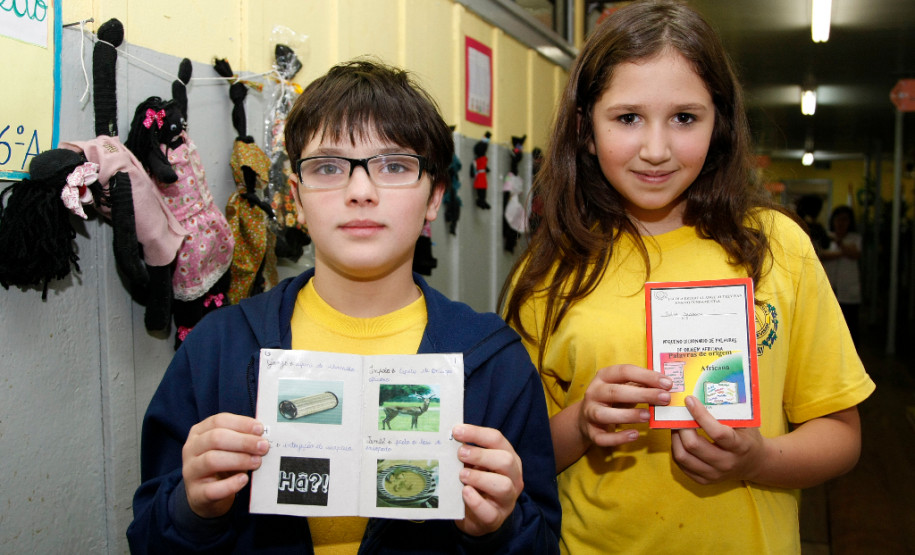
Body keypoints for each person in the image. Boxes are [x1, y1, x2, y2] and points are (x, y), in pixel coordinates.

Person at [127, 59, 561, 554]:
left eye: (395, 166)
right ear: (297, 196)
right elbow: (147, 539)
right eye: (329, 168)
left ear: (435, 197)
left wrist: (503, 526)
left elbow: (543, 542)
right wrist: (190, 509)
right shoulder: (218, 350)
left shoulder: (494, 363)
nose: (360, 192)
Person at [499, 1, 875, 553]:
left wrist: (759, 458)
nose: (657, 149)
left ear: (718, 121)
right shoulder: (549, 273)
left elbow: (842, 435)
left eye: (685, 118)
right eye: (627, 118)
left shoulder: (776, 248)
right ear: (585, 129)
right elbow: (513, 458)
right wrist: (583, 424)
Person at [821, 205, 862, 344]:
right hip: (830, 289)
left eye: (845, 220)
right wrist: (844, 252)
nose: (841, 223)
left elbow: (855, 254)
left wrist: (840, 244)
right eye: (838, 220)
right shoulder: (826, 236)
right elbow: (821, 255)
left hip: (848, 291)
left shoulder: (855, 238)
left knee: (850, 327)